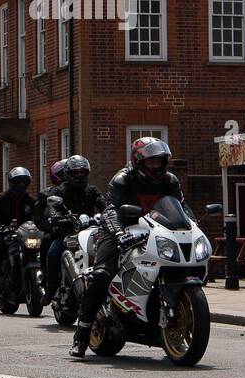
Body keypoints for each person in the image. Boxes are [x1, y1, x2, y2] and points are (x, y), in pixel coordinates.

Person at [72, 137, 181, 358]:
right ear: (139, 161)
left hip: (154, 230)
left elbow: (181, 207)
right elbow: (111, 210)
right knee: (101, 275)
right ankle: (81, 337)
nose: (155, 166)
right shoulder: (123, 178)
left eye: (159, 162)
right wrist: (120, 234)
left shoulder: (170, 181)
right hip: (118, 229)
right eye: (151, 162)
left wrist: (191, 226)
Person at [38, 155, 105, 303]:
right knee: (52, 253)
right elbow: (50, 209)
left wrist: (108, 213)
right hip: (66, 233)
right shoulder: (59, 191)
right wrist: (57, 217)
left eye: (83, 172)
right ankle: (50, 289)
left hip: (90, 232)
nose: (80, 175)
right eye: (76, 172)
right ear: (68, 173)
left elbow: (104, 205)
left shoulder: (92, 190)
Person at [0, 167, 36, 286]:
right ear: (11, 182)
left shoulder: (31, 200)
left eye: (24, 181)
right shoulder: (0, 199)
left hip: (26, 235)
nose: (21, 184)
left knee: (39, 248)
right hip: (4, 233)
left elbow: (38, 216)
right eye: (18, 181)